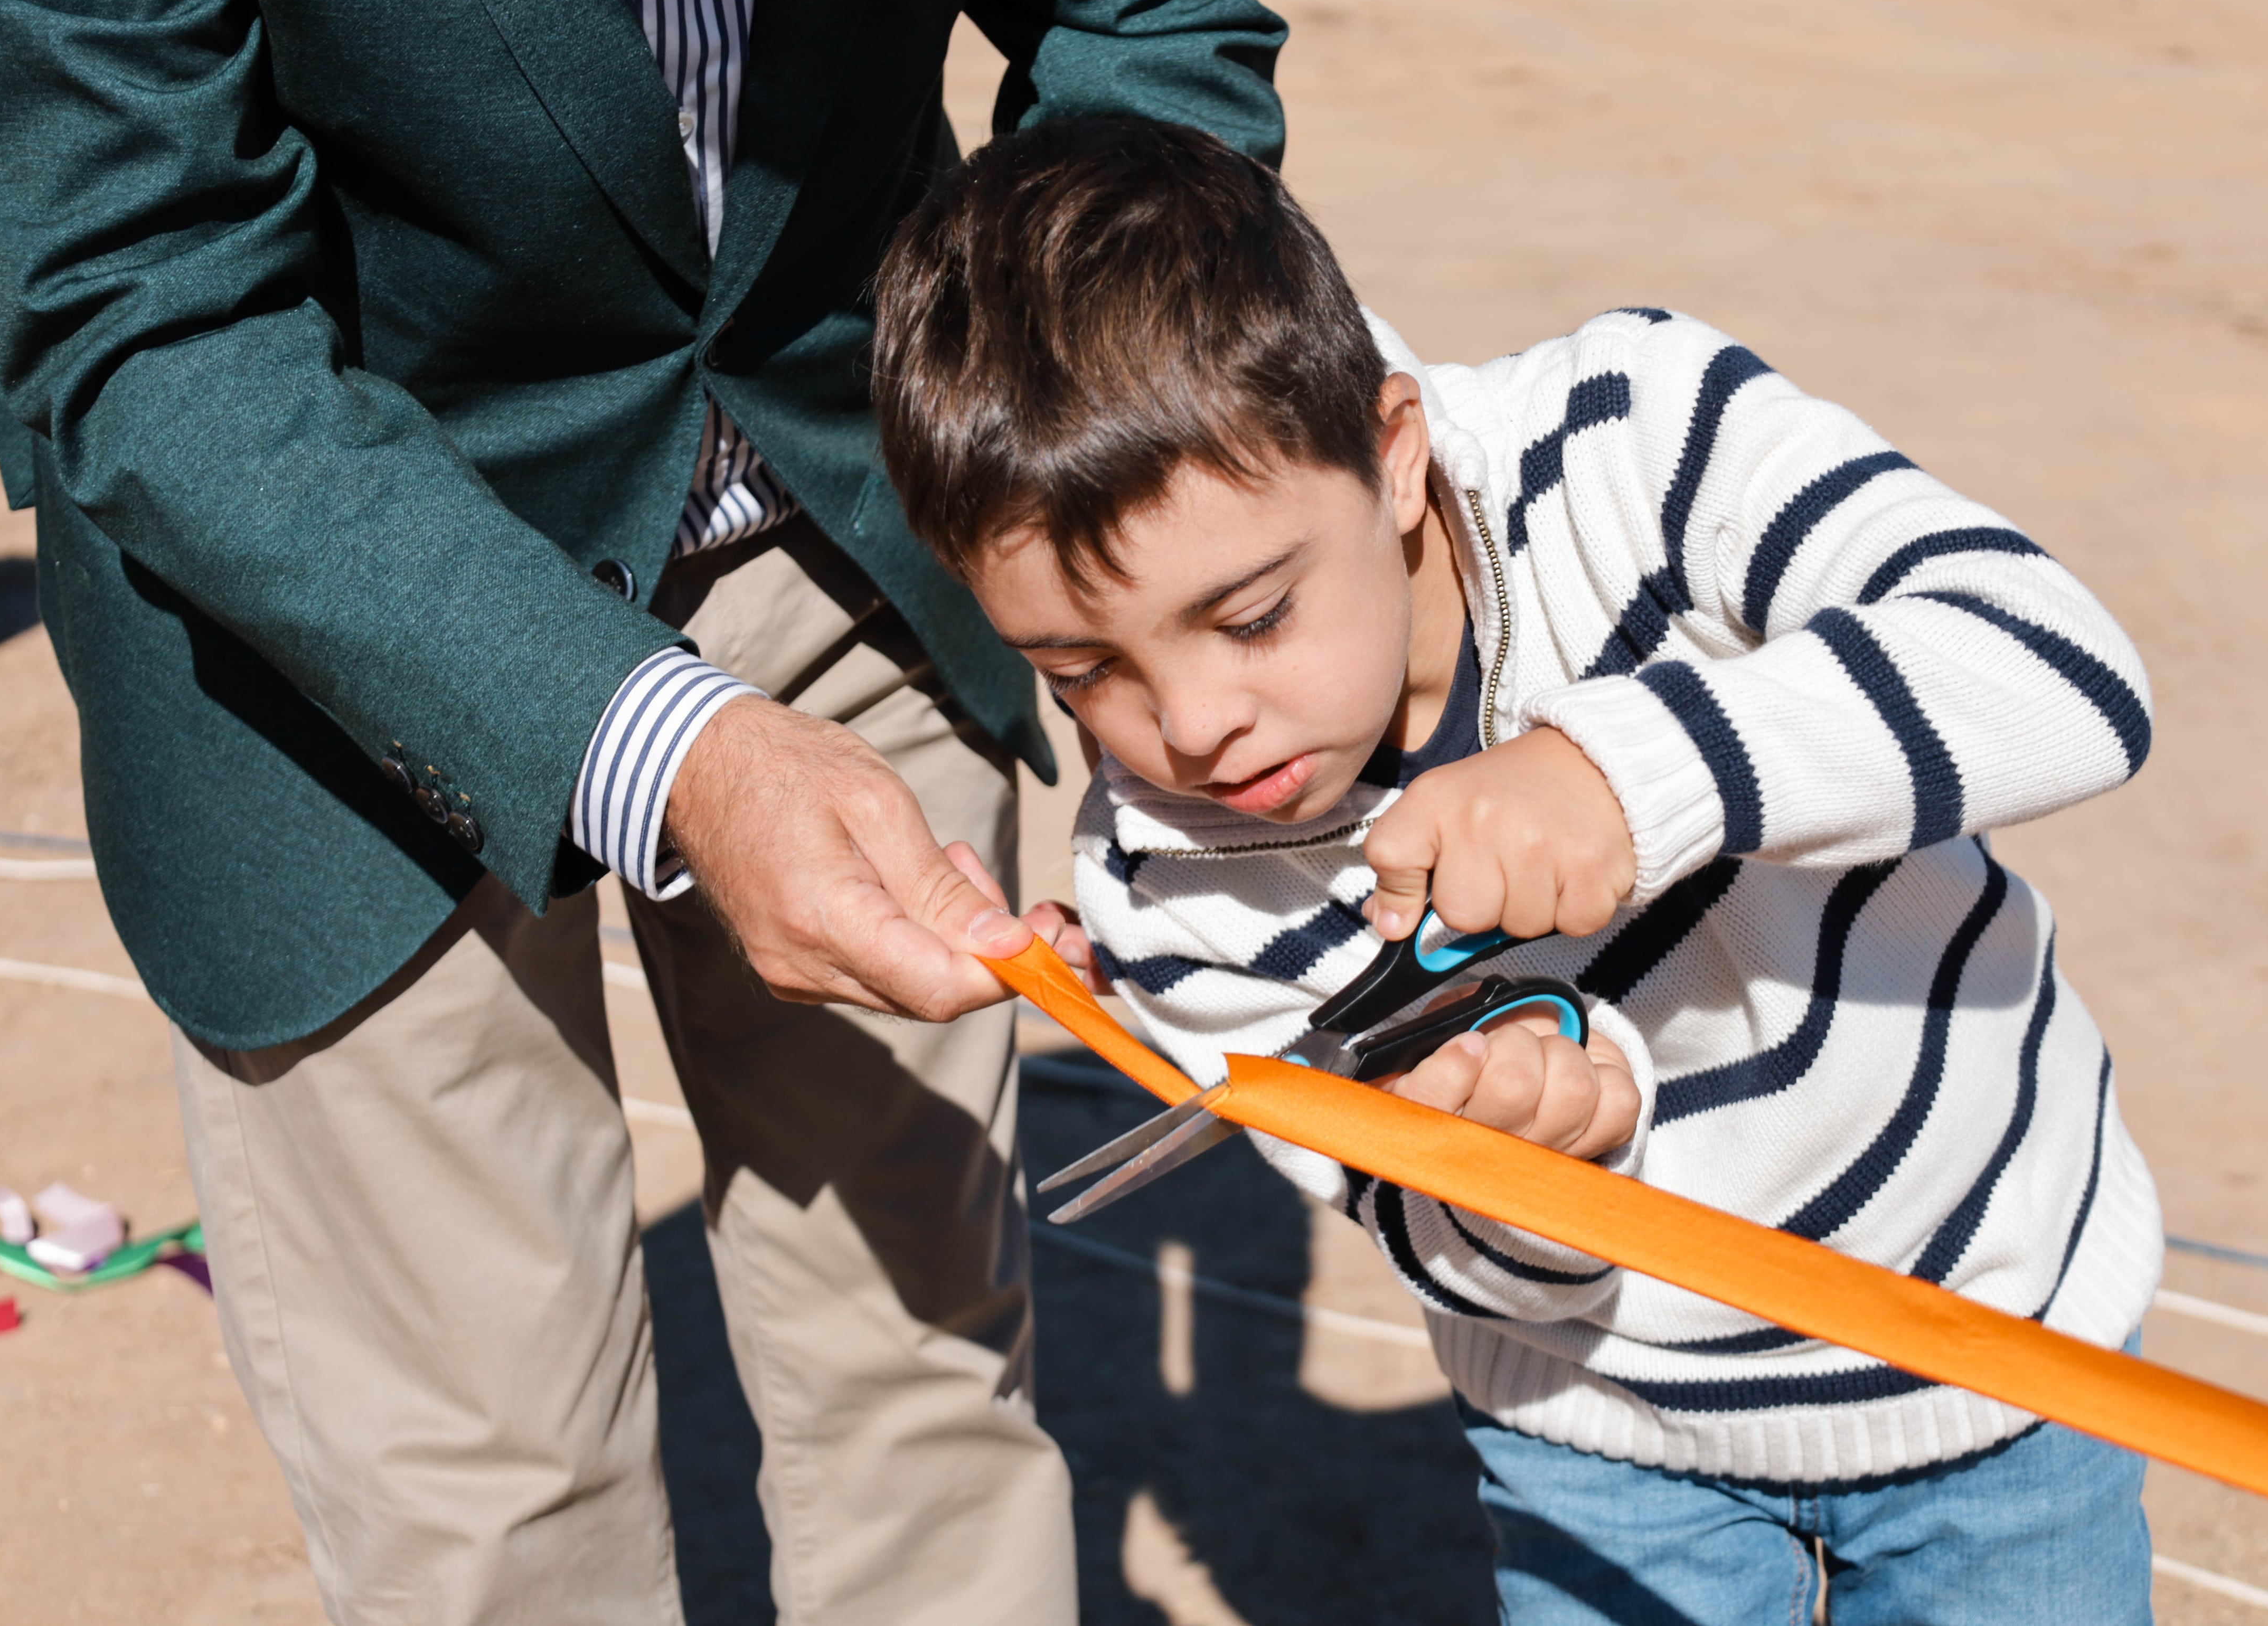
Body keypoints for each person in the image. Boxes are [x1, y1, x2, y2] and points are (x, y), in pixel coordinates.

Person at [0, 0, 1285, 1621]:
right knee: (502, 1502)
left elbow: (1147, 13)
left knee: (929, 1386)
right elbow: (142, 307)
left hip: (850, 505)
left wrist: (1143, 510)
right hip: (313, 589)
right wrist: (670, 745)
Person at [871, 118, 2166, 1624]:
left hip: (1994, 1334)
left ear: (1395, 449)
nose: (1194, 728)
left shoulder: (1637, 439)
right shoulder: (1165, 894)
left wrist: (1632, 776)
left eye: (1254, 616)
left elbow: (2064, 672)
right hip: (1601, 1436)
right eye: (1083, 668)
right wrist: (1530, 1179)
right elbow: (1438, 1242)